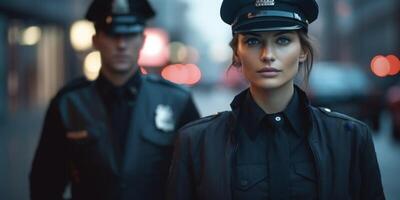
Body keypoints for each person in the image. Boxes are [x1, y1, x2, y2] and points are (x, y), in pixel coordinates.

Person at [167, 0, 385, 199]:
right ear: (236, 54)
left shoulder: (351, 138)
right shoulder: (196, 142)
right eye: (253, 41)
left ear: (302, 51)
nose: (267, 54)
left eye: (282, 40)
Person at [29, 0, 200, 199]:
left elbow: (197, 181)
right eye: (112, 34)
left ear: (142, 40)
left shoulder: (176, 101)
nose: (121, 44)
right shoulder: (68, 104)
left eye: (130, 35)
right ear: (95, 40)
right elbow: (45, 184)